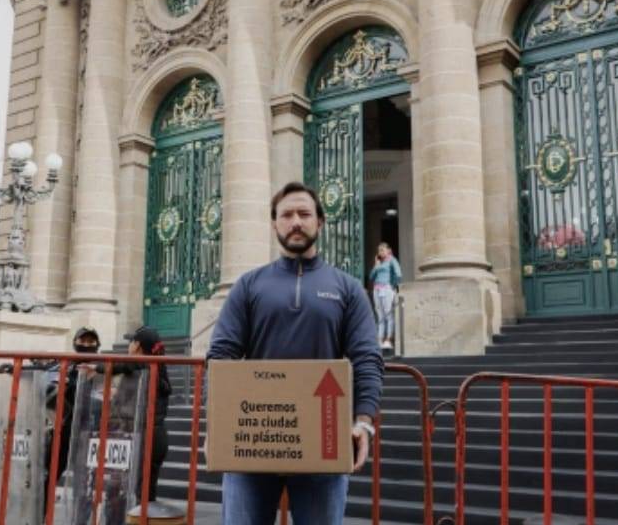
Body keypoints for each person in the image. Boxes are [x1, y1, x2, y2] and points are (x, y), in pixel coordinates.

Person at [206, 181, 384, 525]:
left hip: (324, 439)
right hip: (254, 436)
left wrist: (364, 421)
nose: (296, 222)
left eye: (304, 213)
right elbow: (221, 355)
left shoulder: (347, 288)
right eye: (286, 215)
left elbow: (367, 358)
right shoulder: (248, 285)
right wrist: (218, 422)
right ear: (274, 224)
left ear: (321, 222)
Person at [0, 325, 102, 517]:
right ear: (75, 343)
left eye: (91, 341)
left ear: (98, 344)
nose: (87, 344)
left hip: (92, 431)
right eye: (83, 340)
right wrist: (17, 369)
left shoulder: (105, 365)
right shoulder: (67, 363)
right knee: (48, 474)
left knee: (85, 484)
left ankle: (81, 520)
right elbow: (42, 369)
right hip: (66, 429)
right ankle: (40, 517)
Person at [82, 325, 172, 505]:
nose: (129, 346)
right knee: (143, 495)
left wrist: (98, 367)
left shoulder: (144, 365)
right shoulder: (155, 367)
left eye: (131, 342)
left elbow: (127, 364)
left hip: (145, 437)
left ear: (137, 345)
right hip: (153, 436)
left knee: (135, 495)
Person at [369, 242, 402, 350]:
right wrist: (376, 266)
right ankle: (379, 339)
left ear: (388, 250)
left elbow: (398, 274)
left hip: (387, 288)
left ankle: (388, 339)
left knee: (388, 314)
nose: (380, 252)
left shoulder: (392, 260)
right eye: (379, 250)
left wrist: (392, 285)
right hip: (377, 290)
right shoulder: (379, 263)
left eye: (382, 250)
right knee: (380, 315)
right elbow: (371, 277)